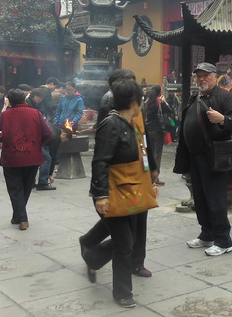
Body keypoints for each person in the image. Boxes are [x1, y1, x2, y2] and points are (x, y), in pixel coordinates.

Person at [80, 79, 158, 308]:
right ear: (134, 101)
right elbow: (100, 161)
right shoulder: (111, 124)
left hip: (131, 190)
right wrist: (101, 194)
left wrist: (150, 182)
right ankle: (122, 293)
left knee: (127, 241)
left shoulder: (130, 123)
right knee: (125, 244)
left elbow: (140, 156)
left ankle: (92, 256)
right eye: (141, 98)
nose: (142, 102)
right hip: (114, 192)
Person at [174, 62, 232, 256]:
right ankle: (207, 233)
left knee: (215, 199)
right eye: (199, 76)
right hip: (195, 156)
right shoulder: (195, 97)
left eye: (206, 75)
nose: (202, 79)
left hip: (214, 157)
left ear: (215, 77)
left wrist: (223, 119)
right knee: (201, 199)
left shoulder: (225, 97)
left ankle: (223, 240)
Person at [0, 89, 52, 231]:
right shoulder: (35, 113)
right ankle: (18, 216)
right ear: (24, 99)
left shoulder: (5, 115)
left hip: (12, 156)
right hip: (32, 155)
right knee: (26, 186)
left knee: (15, 188)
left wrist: (5, 140)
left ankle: (22, 218)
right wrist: (38, 144)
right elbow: (47, 133)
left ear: (10, 100)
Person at [28, 88, 57, 191]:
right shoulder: (29, 105)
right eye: (40, 98)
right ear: (35, 96)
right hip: (32, 137)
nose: (40, 100)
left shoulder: (33, 104)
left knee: (35, 159)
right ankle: (43, 182)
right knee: (46, 158)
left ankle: (31, 181)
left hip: (32, 137)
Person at [144, 84, 172, 186]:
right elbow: (169, 110)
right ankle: (155, 176)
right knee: (157, 154)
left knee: (148, 153)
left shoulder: (147, 102)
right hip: (158, 130)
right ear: (160, 92)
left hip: (148, 129)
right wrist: (164, 101)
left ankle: (147, 175)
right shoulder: (160, 102)